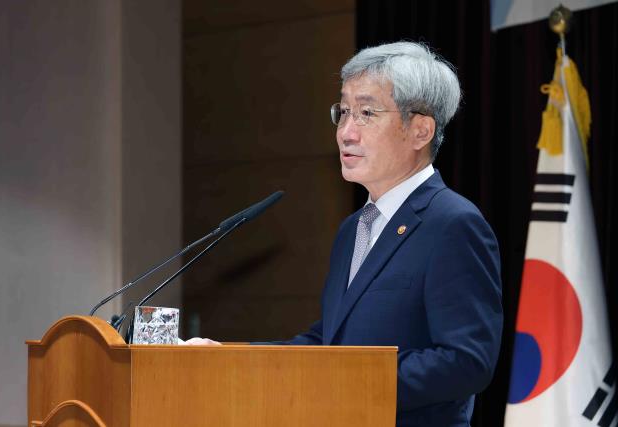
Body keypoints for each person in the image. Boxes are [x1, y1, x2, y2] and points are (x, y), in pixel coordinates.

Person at [188, 41, 503, 427]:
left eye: (367, 113)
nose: (346, 133)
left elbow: (467, 362)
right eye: (344, 112)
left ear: (420, 131)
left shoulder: (452, 224)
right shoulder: (354, 228)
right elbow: (330, 343)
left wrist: (345, 380)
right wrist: (231, 359)